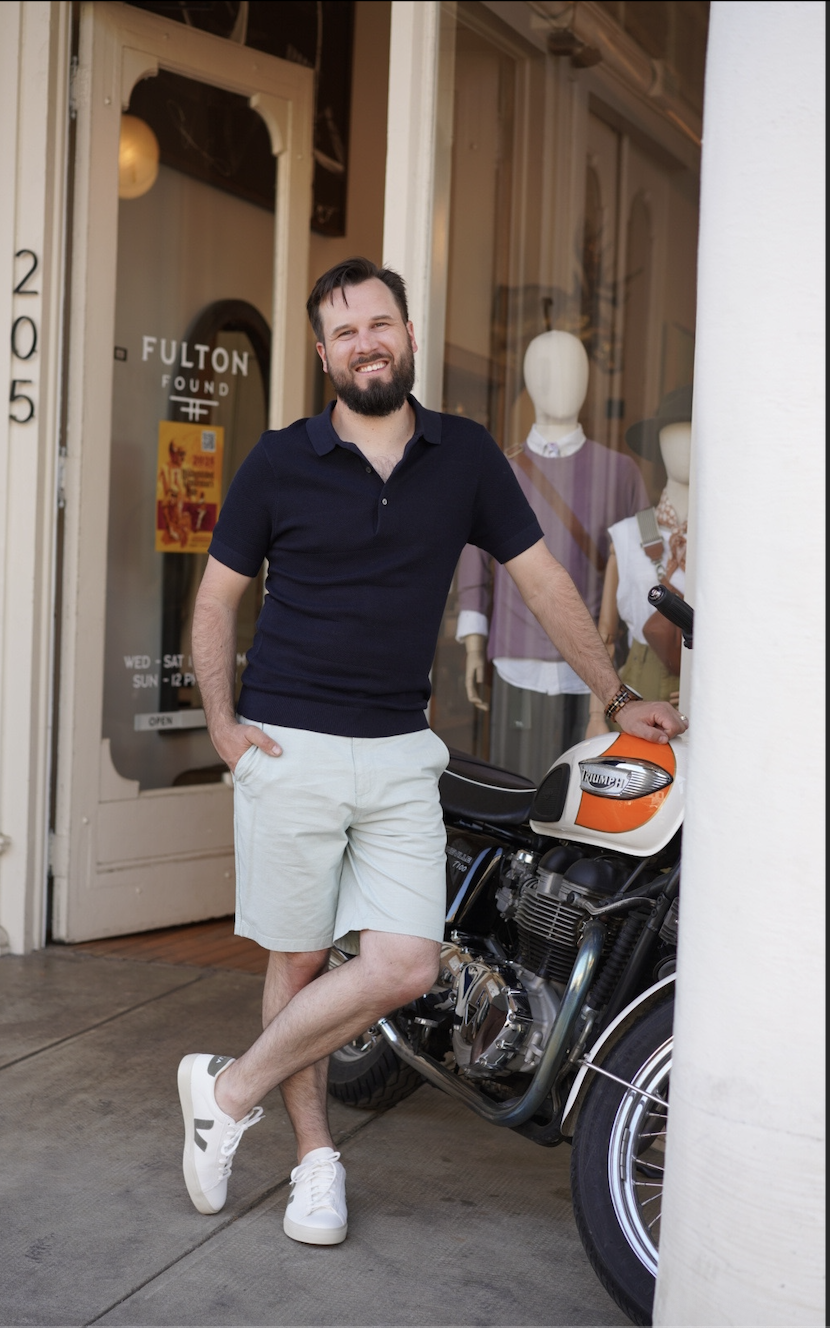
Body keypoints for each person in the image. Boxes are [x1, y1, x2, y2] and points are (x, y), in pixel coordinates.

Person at [180, 257, 687, 1245]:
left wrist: (619, 695)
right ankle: (315, 1159)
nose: (366, 341)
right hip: (290, 743)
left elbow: (541, 580)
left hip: (402, 746)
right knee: (299, 954)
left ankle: (227, 1087)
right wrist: (223, 725)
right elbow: (214, 599)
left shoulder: (463, 457)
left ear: (407, 335)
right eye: (345, 329)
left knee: (404, 962)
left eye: (380, 322)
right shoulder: (281, 460)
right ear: (324, 352)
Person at [457, 330, 649, 781]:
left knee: (580, 793)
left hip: (594, 667)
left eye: (573, 370)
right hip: (514, 658)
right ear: (527, 381)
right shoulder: (499, 468)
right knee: (514, 788)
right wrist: (473, 643)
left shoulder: (619, 472)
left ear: (587, 382)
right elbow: (474, 558)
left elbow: (642, 568)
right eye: (544, 370)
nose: (558, 381)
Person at [586, 387, 692, 738]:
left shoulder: (725, 542)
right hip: (637, 696)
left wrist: (703, 686)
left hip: (703, 698)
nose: (685, 446)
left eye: (695, 435)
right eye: (675, 435)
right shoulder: (630, 535)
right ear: (658, 445)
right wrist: (595, 715)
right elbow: (605, 634)